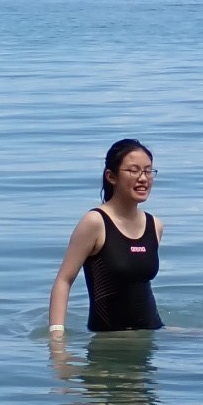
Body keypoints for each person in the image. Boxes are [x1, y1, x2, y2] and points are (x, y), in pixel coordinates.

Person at [49, 139, 163, 335]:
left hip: (150, 336)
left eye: (148, 171)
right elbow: (64, 280)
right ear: (111, 176)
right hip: (108, 342)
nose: (143, 178)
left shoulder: (155, 226)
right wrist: (57, 338)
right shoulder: (95, 222)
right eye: (134, 170)